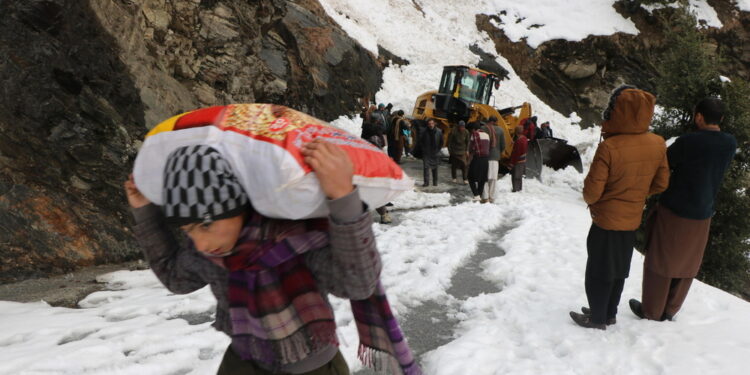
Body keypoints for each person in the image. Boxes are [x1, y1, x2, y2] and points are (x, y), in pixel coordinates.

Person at [124, 140, 419, 374]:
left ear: (236, 205)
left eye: (205, 223)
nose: (200, 243)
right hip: (242, 361)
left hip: (312, 367)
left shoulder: (293, 240)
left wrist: (343, 198)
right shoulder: (213, 252)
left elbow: (358, 283)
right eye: (188, 230)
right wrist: (145, 213)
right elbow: (176, 279)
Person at [569, 85, 669, 330]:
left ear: (619, 111)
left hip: (606, 220)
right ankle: (609, 312)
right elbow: (661, 183)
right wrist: (635, 195)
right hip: (632, 219)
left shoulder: (610, 147)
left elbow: (591, 193)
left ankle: (597, 318)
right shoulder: (657, 143)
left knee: (599, 270)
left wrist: (603, 201)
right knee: (619, 268)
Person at [629, 97, 737, 322]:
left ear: (699, 117)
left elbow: (664, 163)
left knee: (660, 260)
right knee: (688, 262)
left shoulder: (689, 142)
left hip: (675, 209)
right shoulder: (729, 143)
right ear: (722, 119)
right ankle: (670, 310)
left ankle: (651, 310)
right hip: (704, 212)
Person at [482, 116, 505, 203]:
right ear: (496, 121)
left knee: (485, 178)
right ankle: (491, 197)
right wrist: (499, 152)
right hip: (495, 157)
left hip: (484, 157)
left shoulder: (483, 128)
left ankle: (485, 197)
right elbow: (503, 145)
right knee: (493, 178)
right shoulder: (500, 130)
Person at [467, 122, 490, 201]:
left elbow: (472, 147)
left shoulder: (475, 134)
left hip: (478, 158)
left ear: (473, 129)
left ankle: (476, 195)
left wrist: (469, 153)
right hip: (486, 159)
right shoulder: (487, 135)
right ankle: (479, 195)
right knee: (482, 179)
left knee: (470, 177)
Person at [418, 118, 443, 187]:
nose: (431, 125)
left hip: (435, 152)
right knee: (426, 167)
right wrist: (423, 149)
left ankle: (435, 182)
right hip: (426, 152)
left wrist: (438, 149)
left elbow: (441, 142)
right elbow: (420, 141)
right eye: (429, 124)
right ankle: (426, 182)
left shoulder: (439, 131)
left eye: (432, 123)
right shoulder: (424, 131)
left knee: (435, 168)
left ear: (434, 124)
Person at [448, 120, 470, 184]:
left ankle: (465, 179)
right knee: (454, 165)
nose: (462, 128)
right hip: (454, 151)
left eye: (463, 127)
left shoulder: (466, 132)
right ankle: (454, 177)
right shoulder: (454, 131)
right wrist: (450, 150)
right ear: (458, 126)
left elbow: (468, 142)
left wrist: (467, 150)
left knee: (464, 165)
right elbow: (449, 142)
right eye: (461, 127)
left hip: (462, 151)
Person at [507, 125, 528, 192]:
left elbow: (516, 153)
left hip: (518, 161)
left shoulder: (519, 141)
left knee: (515, 176)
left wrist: (511, 164)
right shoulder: (524, 138)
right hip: (523, 160)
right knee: (519, 177)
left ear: (516, 132)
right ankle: (519, 189)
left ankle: (515, 189)